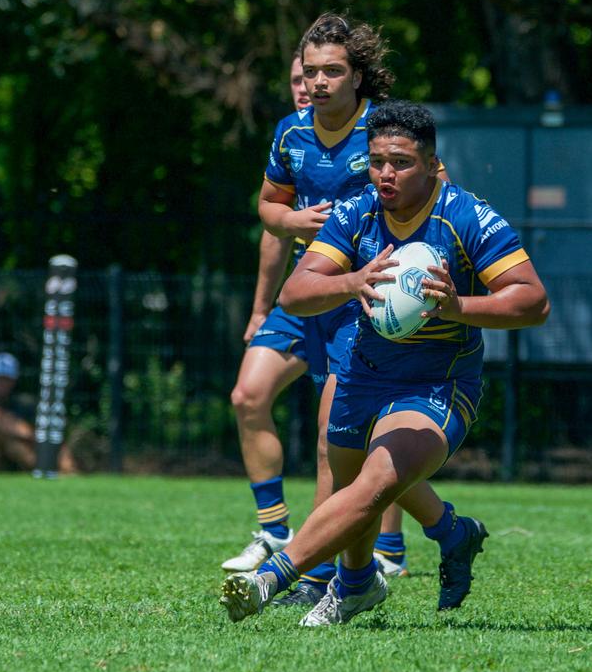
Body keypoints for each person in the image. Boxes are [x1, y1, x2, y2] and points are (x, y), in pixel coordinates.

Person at [220, 100, 550, 627]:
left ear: (431, 163)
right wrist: (353, 280)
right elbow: (297, 293)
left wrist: (457, 306)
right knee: (353, 489)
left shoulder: (467, 217)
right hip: (364, 373)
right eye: (376, 162)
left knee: (375, 481)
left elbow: (533, 301)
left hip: (436, 383)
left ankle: (271, 578)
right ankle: (358, 585)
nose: (385, 174)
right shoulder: (358, 212)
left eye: (400, 162)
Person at [222, 18, 442, 603]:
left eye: (332, 71)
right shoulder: (290, 133)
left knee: (333, 438)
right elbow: (270, 208)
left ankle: (323, 574)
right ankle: (279, 532)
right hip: (306, 295)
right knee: (248, 394)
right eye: (310, 71)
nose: (317, 83)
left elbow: (436, 190)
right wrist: (291, 220)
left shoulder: (384, 129)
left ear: (358, 74)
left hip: (361, 299)